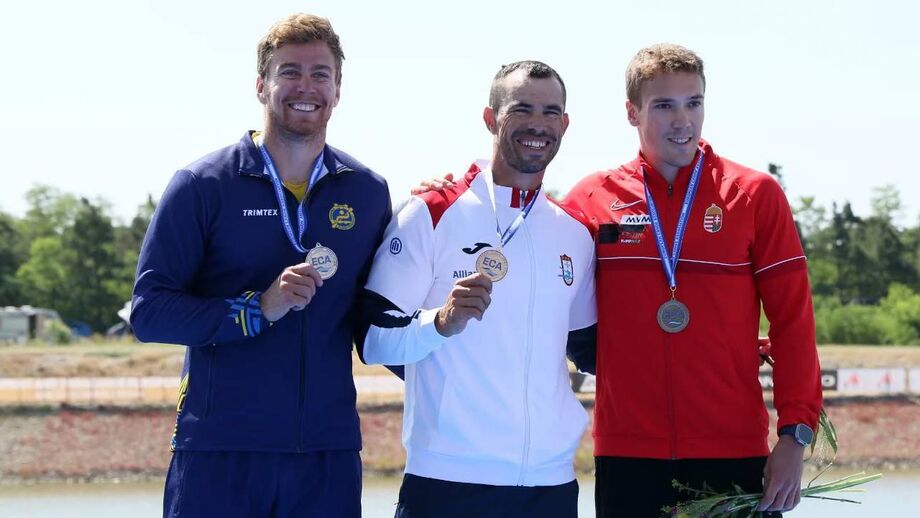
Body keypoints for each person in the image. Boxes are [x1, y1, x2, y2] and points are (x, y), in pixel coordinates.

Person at [130, 13, 391, 517]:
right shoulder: (202, 184)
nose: (306, 86)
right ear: (261, 85)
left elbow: (376, 314)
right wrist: (255, 310)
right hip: (220, 449)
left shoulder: (367, 190)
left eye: (321, 74)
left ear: (338, 90)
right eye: (289, 71)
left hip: (326, 453)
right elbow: (149, 312)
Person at [563, 44, 823, 517]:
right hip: (627, 455)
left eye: (694, 102)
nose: (683, 119)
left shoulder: (753, 195)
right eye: (664, 105)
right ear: (632, 112)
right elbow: (527, 255)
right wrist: (451, 193)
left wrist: (795, 435)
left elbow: (794, 323)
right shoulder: (590, 199)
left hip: (733, 451)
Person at [357, 61, 597, 518]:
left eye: (551, 113)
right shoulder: (432, 211)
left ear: (565, 124)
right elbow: (372, 339)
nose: (537, 125)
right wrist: (439, 324)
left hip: (550, 485)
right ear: (490, 118)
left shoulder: (574, 233)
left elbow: (589, 351)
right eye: (521, 109)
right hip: (449, 481)